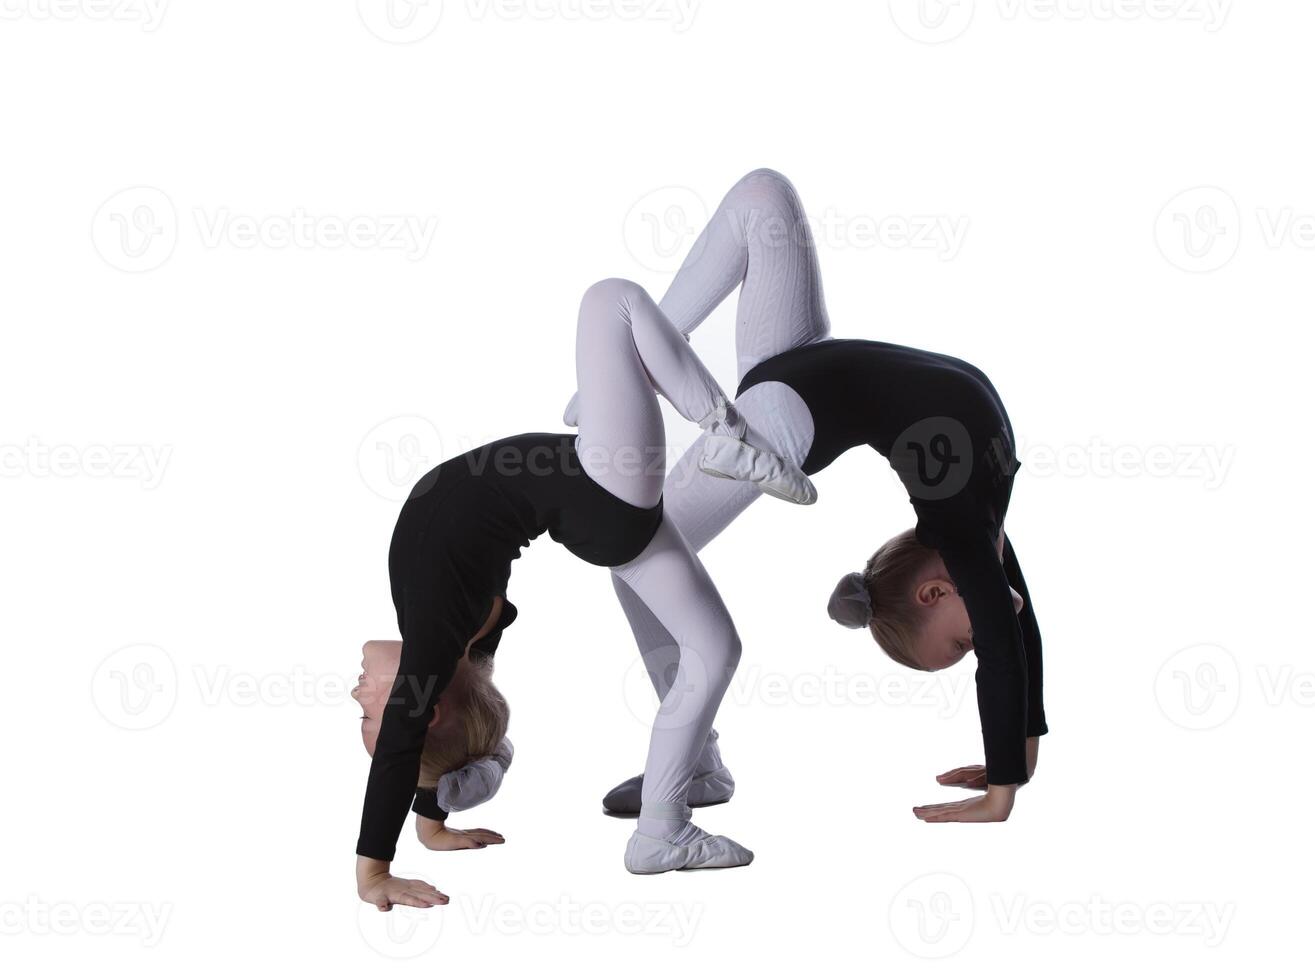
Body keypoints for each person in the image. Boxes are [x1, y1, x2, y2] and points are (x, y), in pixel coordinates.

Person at [591, 169, 1047, 827]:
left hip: (792, 401)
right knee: (762, 196)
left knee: (633, 549)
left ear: (936, 593)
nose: (983, 641)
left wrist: (1013, 767)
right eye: (967, 646)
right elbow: (1013, 636)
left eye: (964, 644)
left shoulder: (967, 529)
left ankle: (695, 759)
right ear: (936, 593)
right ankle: (652, 344)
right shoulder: (970, 529)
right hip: (795, 374)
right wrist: (1009, 780)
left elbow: (1010, 637)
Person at [353, 275, 814, 910]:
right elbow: (408, 745)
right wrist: (374, 873)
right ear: (424, 704)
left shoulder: (468, 645)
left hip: (608, 518)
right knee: (611, 301)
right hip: (605, 486)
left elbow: (426, 742)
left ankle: (664, 828)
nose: (356, 692)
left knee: (715, 648)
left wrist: (434, 823)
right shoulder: (437, 635)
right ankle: (725, 430)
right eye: (367, 711)